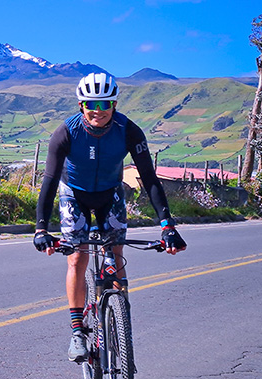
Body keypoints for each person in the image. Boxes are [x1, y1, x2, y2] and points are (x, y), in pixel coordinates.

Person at [32, 72, 187, 363]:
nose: (98, 111)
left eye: (104, 104)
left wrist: (168, 226)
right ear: (81, 105)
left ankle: (120, 319)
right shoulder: (65, 133)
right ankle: (78, 330)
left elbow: (150, 179)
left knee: (114, 255)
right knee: (77, 257)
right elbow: (50, 180)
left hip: (110, 193)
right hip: (73, 194)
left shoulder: (128, 130)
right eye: (91, 104)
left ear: (114, 104)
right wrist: (41, 229)